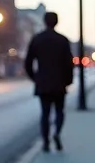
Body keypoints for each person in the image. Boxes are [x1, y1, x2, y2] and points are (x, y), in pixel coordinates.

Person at [24, 11, 76, 152]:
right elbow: (69, 63)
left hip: (43, 83)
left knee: (45, 114)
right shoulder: (62, 40)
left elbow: (28, 62)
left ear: (44, 22)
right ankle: (57, 132)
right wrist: (68, 80)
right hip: (59, 83)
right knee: (60, 111)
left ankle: (46, 142)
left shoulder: (37, 39)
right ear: (56, 22)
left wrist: (35, 78)